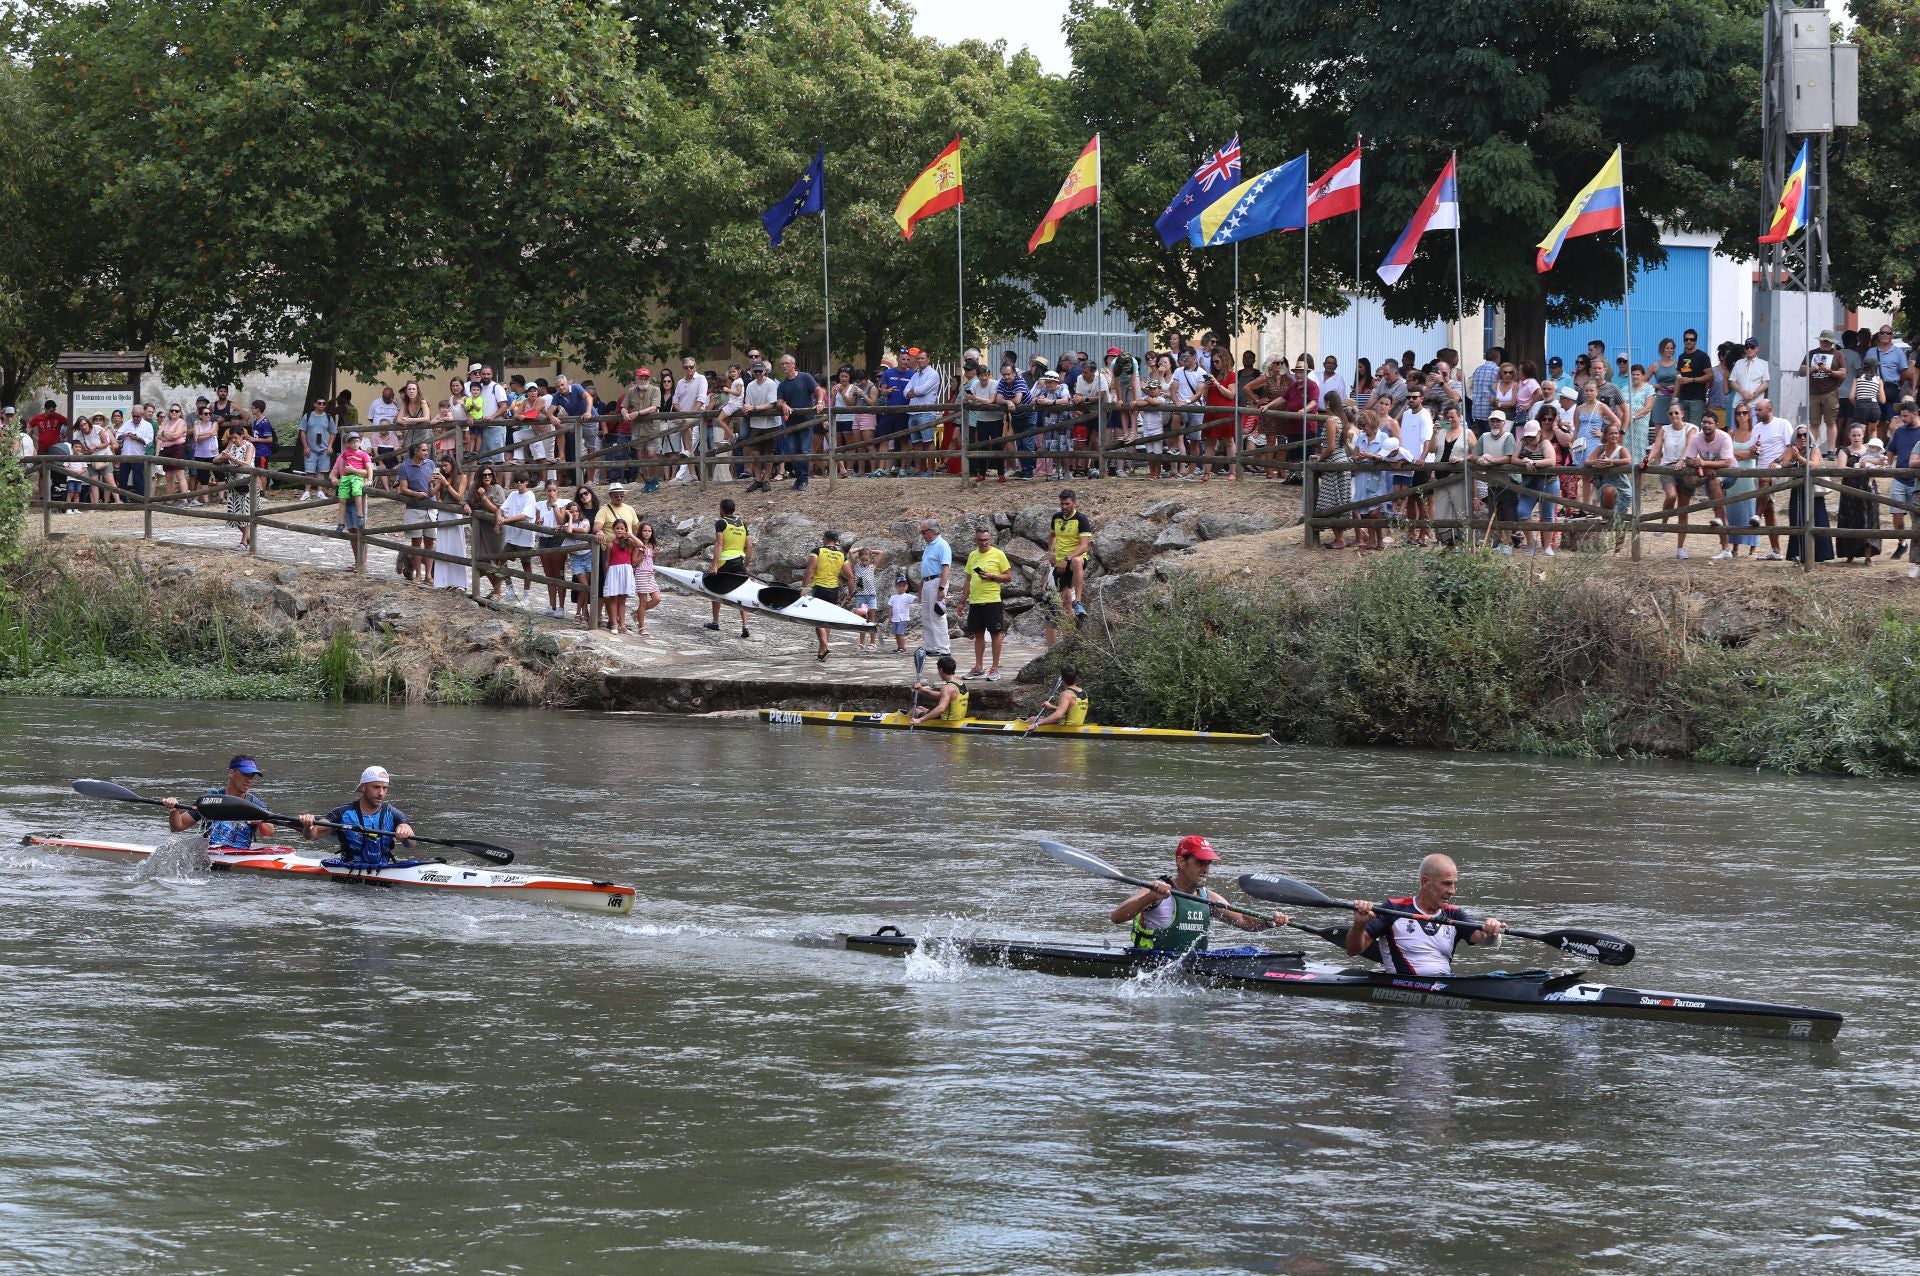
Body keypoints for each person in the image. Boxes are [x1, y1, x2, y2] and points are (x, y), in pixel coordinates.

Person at [1109, 835, 1287, 955]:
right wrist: (1150, 898)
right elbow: (1117, 917)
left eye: (1208, 863)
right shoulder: (1156, 891)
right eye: (1200, 862)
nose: (1205, 869)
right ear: (1181, 861)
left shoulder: (1207, 897)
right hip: (1149, 968)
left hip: (1189, 968)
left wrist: (1269, 922)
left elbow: (1243, 920)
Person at [1346, 854, 1507, 975]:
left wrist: (1492, 930)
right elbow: (1352, 950)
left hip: (1444, 985)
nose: (1452, 891)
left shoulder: (1455, 914)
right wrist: (1359, 925)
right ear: (1425, 882)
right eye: (1446, 884)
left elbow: (1483, 938)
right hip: (1403, 987)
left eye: (1454, 884)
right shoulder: (1394, 909)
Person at [296, 766, 416, 869]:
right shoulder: (342, 812)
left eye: (384, 788)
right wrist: (309, 826)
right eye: (376, 787)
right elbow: (312, 836)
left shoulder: (393, 813)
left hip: (383, 868)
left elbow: (411, 843)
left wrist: (405, 833)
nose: (381, 793)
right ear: (363, 787)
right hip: (347, 869)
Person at [162, 755, 275, 851]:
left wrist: (260, 822)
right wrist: (174, 810)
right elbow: (178, 826)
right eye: (245, 774)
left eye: (252, 776)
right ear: (231, 773)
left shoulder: (257, 804)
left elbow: (269, 833)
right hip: (210, 855)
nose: (249, 780)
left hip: (239, 856)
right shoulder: (209, 800)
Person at [960, 525, 1012, 680]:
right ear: (975, 541)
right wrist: (962, 601)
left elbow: (1009, 577)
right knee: (978, 634)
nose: (984, 543)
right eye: (981, 540)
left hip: (992, 601)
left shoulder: (998, 554)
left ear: (990, 540)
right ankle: (978, 666)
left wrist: (992, 577)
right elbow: (968, 580)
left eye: (986, 540)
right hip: (975, 601)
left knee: (996, 634)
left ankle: (994, 668)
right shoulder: (972, 556)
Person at [1046, 488, 1092, 642]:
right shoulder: (1056, 518)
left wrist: (1067, 558)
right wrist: (1051, 552)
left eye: (1067, 503)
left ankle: (1078, 601)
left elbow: (1084, 546)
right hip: (1059, 563)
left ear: (1074, 503)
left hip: (1074, 560)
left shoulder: (1081, 519)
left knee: (1077, 561)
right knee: (1064, 602)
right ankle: (1068, 638)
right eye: (1061, 504)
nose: (1064, 506)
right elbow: (1052, 536)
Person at [704, 496, 752, 637]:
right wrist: (747, 564)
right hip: (739, 562)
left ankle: (715, 622)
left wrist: (714, 565)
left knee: (715, 591)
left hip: (724, 562)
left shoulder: (721, 523)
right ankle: (745, 625)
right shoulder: (742, 524)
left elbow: (719, 544)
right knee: (741, 593)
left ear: (722, 510)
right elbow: (749, 545)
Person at [805, 529, 852, 660]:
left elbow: (810, 569)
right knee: (826, 620)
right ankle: (822, 651)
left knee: (817, 620)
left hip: (819, 588)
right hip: (833, 590)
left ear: (824, 539)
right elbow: (850, 576)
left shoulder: (817, 551)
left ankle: (825, 646)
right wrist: (850, 594)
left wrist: (804, 587)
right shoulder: (842, 555)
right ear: (836, 541)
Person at [916, 518, 952, 658]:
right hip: (927, 582)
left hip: (937, 582)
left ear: (931, 531)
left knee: (937, 615)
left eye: (923, 532)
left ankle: (943, 648)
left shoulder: (942, 545)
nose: (922, 535)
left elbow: (945, 567)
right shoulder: (929, 546)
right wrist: (921, 587)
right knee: (926, 616)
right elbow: (926, 568)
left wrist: (942, 587)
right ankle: (931, 646)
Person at [332, 430, 373, 538]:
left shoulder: (363, 455)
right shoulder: (343, 456)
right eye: (349, 442)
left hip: (357, 496)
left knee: (360, 533)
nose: (353, 444)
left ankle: (360, 515)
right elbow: (333, 473)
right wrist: (334, 479)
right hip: (346, 495)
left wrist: (354, 470)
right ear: (346, 444)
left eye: (356, 441)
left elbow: (367, 471)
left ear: (359, 442)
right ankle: (340, 523)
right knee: (352, 532)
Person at [1026, 663, 1089, 729]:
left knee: (1031, 719)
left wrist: (1036, 725)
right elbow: (1071, 710)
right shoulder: (1083, 692)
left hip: (1066, 727)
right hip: (1075, 725)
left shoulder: (1066, 694)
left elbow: (1058, 716)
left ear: (1062, 678)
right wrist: (1052, 707)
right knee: (1038, 718)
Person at [910, 653, 969, 723]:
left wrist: (920, 720)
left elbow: (941, 708)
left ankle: (903, 724)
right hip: (957, 718)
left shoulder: (947, 688)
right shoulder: (961, 683)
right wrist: (923, 690)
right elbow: (941, 695)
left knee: (914, 711)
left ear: (941, 670)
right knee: (919, 708)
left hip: (947, 721)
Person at [885, 574, 915, 653]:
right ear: (896, 587)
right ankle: (899, 647)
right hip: (895, 618)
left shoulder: (908, 596)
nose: (902, 587)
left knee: (900, 633)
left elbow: (916, 599)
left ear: (906, 587)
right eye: (899, 586)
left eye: (903, 586)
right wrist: (890, 617)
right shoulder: (893, 597)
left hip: (903, 618)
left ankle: (902, 648)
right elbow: (890, 608)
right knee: (896, 634)